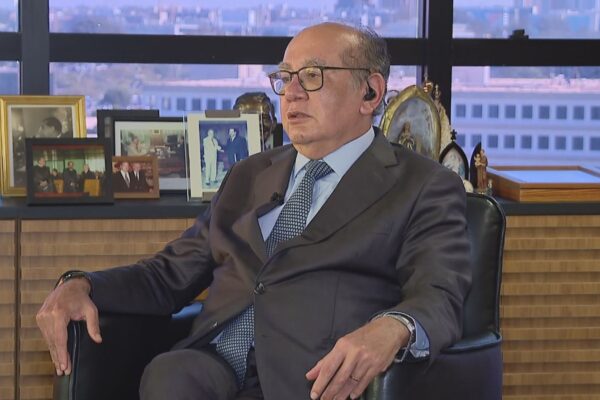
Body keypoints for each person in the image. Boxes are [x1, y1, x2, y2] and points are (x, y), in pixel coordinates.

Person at [36, 23, 470, 400]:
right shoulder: (249, 174)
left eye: (312, 76)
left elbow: (440, 293)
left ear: (370, 92)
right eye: (285, 78)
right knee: (171, 374)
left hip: (315, 377)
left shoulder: (423, 185)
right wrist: (82, 284)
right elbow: (168, 275)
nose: (291, 93)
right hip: (214, 366)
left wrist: (394, 326)